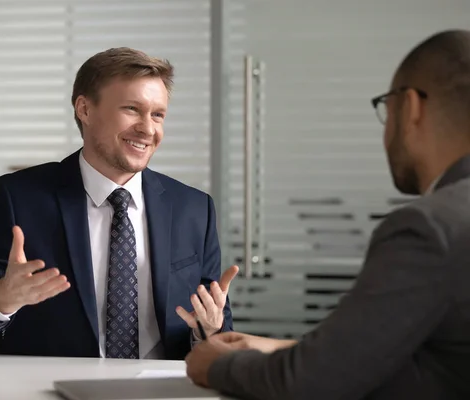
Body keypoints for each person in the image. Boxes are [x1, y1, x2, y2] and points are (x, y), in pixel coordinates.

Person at [185, 29, 470, 399]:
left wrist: (213, 364)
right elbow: (431, 356)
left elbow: (311, 383)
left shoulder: (431, 227)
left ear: (412, 107)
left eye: (388, 108)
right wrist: (283, 350)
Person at [0, 47, 237, 360]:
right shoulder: (20, 199)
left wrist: (207, 331)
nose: (148, 128)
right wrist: (1, 299)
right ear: (84, 109)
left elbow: (215, 328)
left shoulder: (194, 209)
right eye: (131, 109)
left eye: (158, 114)